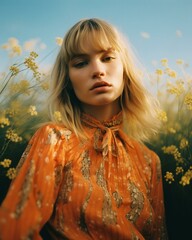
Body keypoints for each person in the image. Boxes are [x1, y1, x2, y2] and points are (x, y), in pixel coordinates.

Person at [0, 18, 168, 240]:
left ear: (125, 68)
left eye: (107, 58)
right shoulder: (55, 140)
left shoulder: (149, 161)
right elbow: (15, 228)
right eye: (80, 63)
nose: (98, 70)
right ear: (68, 80)